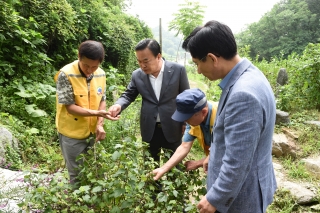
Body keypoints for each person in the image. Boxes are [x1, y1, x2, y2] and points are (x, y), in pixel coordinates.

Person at [182, 20, 277, 213]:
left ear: (212, 58)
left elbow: (237, 161)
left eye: (198, 63)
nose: (198, 70)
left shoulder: (244, 94)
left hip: (241, 198)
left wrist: (215, 198)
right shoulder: (249, 75)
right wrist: (214, 155)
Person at [108, 38, 190, 163]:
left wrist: (185, 122)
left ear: (158, 56)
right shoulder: (137, 75)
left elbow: (186, 96)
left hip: (173, 126)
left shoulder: (178, 70)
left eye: (146, 61)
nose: (142, 65)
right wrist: (118, 105)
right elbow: (129, 94)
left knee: (174, 168)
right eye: (139, 61)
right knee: (150, 167)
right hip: (149, 129)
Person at [54, 40, 118, 184]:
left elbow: (102, 100)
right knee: (76, 174)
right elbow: (69, 107)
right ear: (79, 56)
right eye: (86, 65)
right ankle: (77, 203)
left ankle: (94, 205)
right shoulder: (66, 74)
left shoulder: (101, 74)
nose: (90, 70)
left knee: (96, 169)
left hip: (92, 132)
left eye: (94, 66)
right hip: (72, 133)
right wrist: (97, 114)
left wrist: (100, 124)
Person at [152, 88, 218, 181]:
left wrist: (198, 163)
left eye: (187, 117)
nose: (185, 121)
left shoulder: (222, 117)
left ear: (203, 112)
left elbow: (226, 152)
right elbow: (184, 146)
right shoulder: (194, 120)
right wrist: (163, 169)